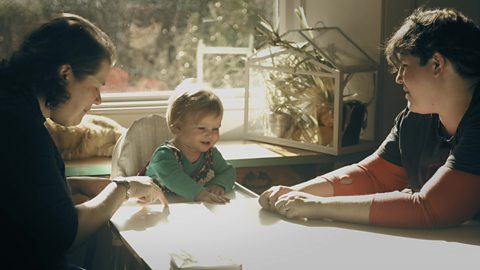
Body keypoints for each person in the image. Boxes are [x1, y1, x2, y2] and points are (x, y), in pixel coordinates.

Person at [259, 7, 480, 228]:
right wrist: (296, 191)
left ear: (436, 64)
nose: (399, 79)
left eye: (404, 66)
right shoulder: (416, 119)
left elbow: (431, 208)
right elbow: (373, 176)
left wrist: (317, 206)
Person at [0, 13, 168, 269]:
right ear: (65, 74)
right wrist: (123, 188)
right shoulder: (22, 131)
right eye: (96, 85)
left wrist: (76, 185)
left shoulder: (13, 107)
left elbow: (25, 194)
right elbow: (65, 235)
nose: (99, 99)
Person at [144, 81, 236, 203]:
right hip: (156, 209)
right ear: (178, 128)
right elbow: (175, 179)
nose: (210, 134)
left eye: (215, 128)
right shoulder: (164, 155)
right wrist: (199, 194)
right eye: (202, 128)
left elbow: (228, 171)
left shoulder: (211, 154)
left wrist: (219, 184)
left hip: (190, 208)